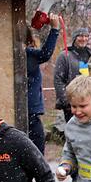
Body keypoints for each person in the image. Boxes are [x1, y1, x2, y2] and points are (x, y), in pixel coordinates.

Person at [25, 14, 60, 153]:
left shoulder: (21, 54)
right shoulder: (27, 54)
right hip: (31, 110)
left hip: (27, 109)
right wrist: (55, 29)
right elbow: (46, 54)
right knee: (37, 151)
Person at [54, 27, 91, 123]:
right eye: (80, 36)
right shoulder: (65, 56)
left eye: (86, 36)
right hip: (71, 103)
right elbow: (58, 80)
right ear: (75, 38)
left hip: (89, 102)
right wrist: (66, 101)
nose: (83, 39)